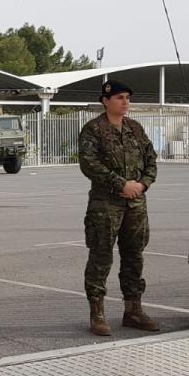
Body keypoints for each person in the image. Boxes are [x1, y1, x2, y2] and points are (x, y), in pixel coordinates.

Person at [77, 80, 160, 336]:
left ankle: (133, 310)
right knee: (101, 257)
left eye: (127, 98)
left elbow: (151, 161)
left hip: (136, 204)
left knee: (134, 257)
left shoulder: (135, 129)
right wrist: (121, 184)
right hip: (106, 205)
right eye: (120, 98)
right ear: (105, 100)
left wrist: (142, 185)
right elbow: (89, 164)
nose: (125, 102)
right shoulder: (93, 130)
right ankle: (97, 314)